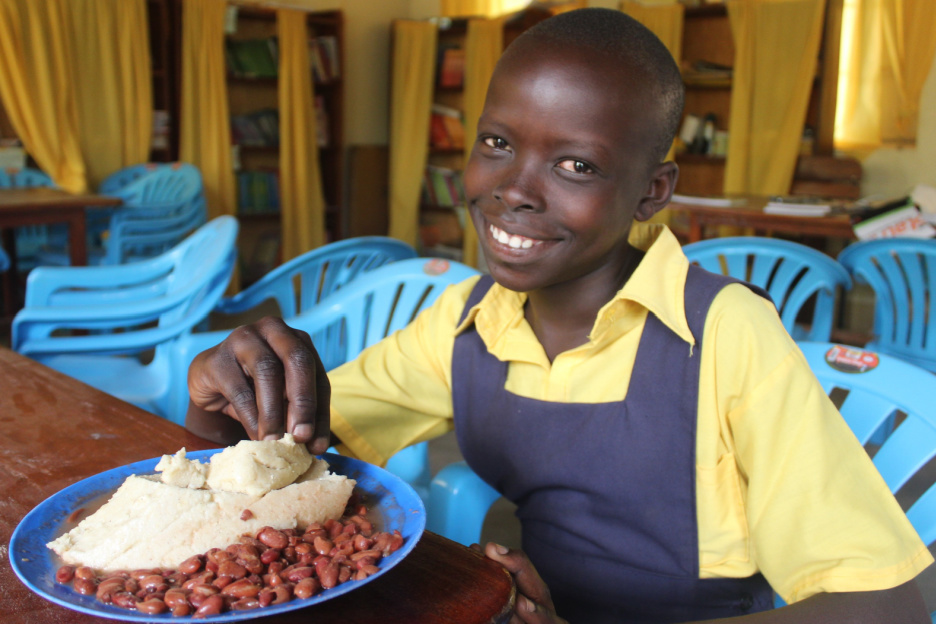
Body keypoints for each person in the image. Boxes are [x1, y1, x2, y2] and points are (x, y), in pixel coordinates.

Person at [186, 8, 932, 623]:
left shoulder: (724, 336)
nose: (515, 190)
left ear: (652, 189)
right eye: (498, 143)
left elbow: (886, 605)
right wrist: (226, 396)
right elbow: (284, 460)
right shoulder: (470, 322)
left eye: (575, 165)